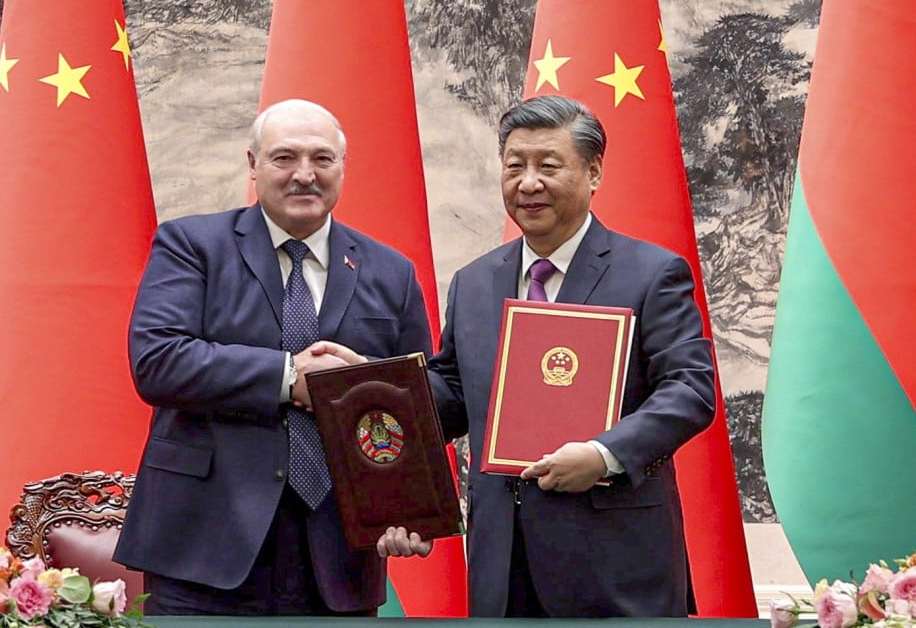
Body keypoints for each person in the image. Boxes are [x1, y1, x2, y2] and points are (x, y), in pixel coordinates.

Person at [377, 95, 716, 618]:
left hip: (615, 559)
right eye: (515, 166)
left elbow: (690, 389)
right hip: (501, 560)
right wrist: (366, 392)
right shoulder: (474, 282)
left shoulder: (651, 273)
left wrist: (603, 456)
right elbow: (453, 395)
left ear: (594, 171)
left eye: (547, 166)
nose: (528, 183)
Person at [113, 99, 432, 616]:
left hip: (339, 554)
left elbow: (415, 404)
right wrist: (290, 378)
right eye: (284, 158)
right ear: (253, 165)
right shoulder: (192, 245)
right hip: (206, 545)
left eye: (322, 159)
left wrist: (408, 510)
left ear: (343, 168)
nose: (304, 174)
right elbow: (158, 359)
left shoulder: (391, 271)